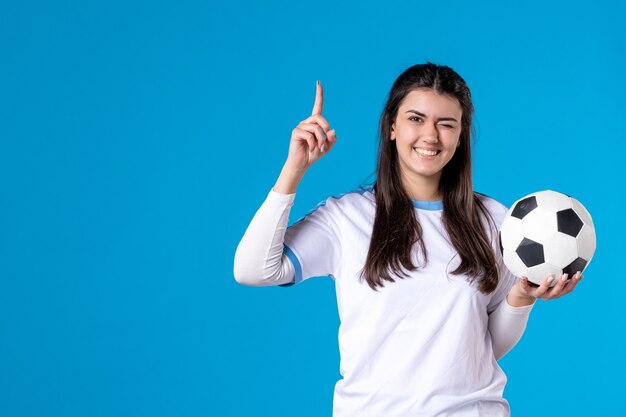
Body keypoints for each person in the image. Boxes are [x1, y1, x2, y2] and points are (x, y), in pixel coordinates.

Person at [233, 62, 583, 417]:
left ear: (460, 136)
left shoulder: (495, 220)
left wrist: (522, 297)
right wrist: (294, 169)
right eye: (416, 119)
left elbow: (483, 349)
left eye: (446, 124)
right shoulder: (347, 218)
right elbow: (253, 269)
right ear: (391, 127)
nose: (430, 136)